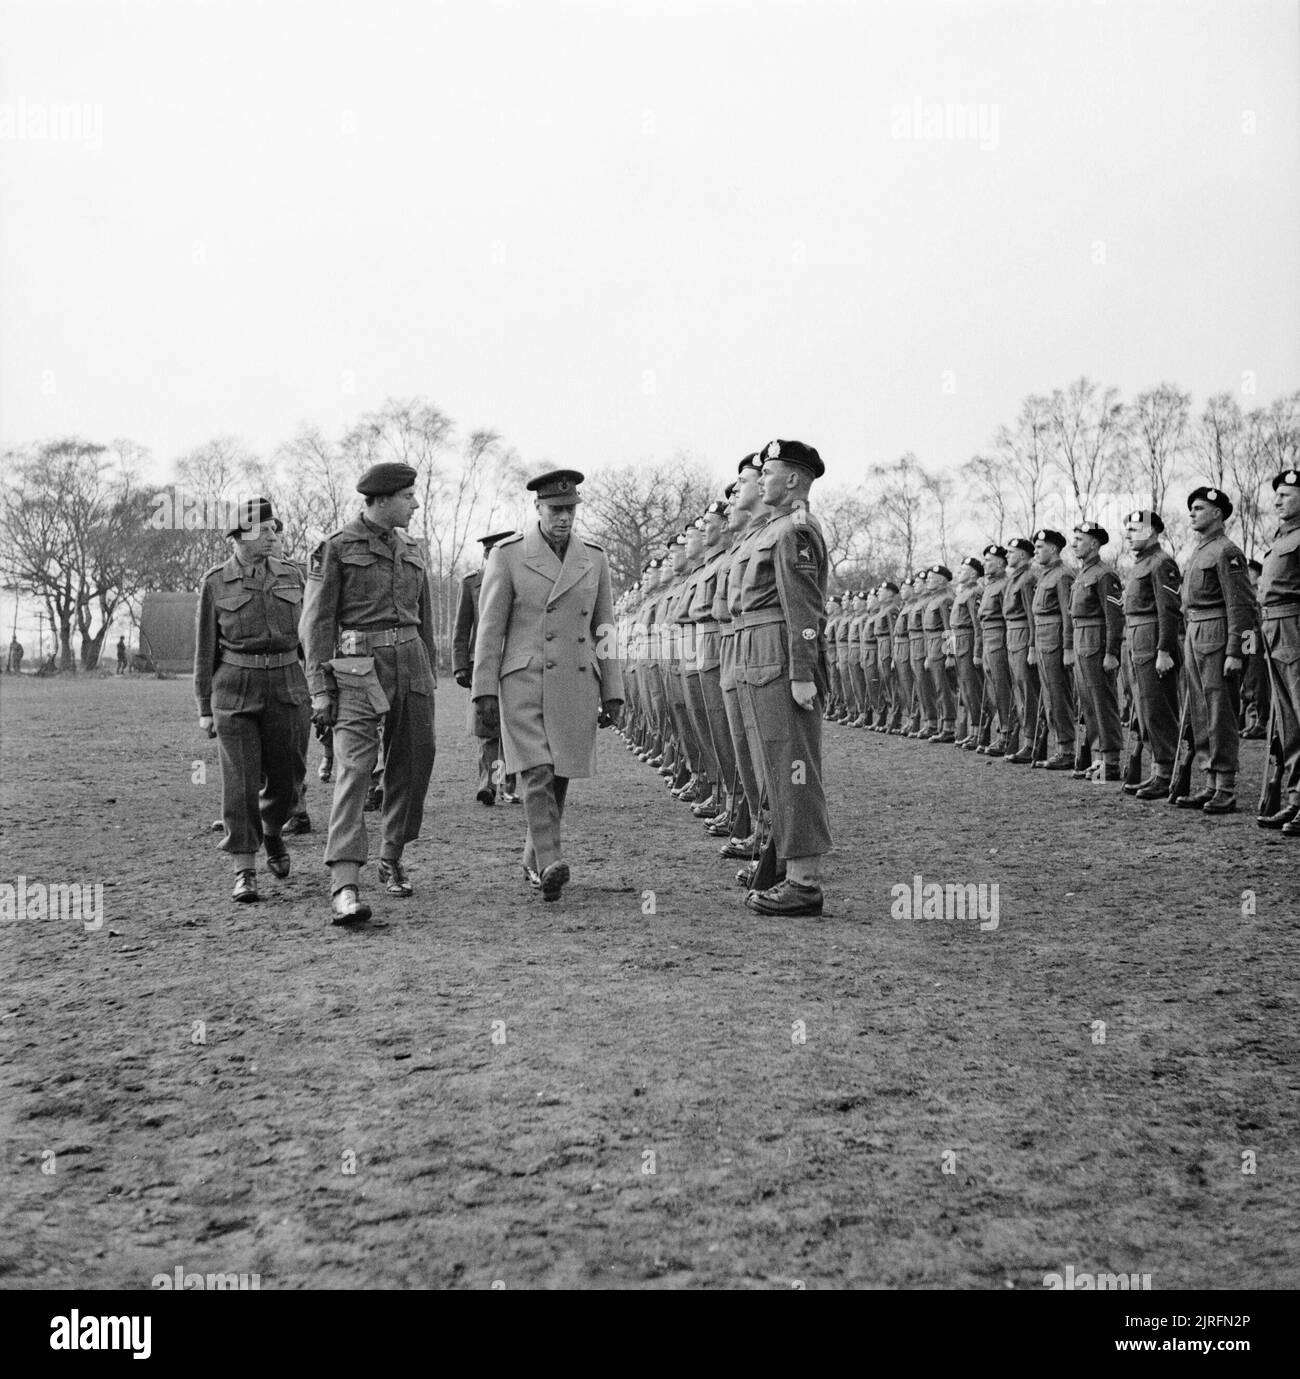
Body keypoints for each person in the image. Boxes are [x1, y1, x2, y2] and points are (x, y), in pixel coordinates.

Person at [471, 468, 623, 901]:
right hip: (524, 679)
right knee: (535, 770)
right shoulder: (509, 555)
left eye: (571, 510)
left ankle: (532, 860)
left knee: (558, 773)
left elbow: (605, 626)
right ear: (537, 508)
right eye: (556, 510)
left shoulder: (593, 558)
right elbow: (490, 628)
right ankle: (552, 859)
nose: (564, 518)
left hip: (576, 679)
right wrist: (483, 688)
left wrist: (613, 690)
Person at [302, 462, 438, 923]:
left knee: (415, 760)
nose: (415, 504)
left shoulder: (413, 548)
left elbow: (424, 618)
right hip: (357, 670)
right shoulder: (336, 549)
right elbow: (317, 623)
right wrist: (320, 688)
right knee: (356, 769)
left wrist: (428, 672)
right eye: (408, 497)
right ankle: (344, 884)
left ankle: (392, 855)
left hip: (411, 664)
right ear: (381, 500)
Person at [194, 497, 311, 903]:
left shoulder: (295, 576)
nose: (272, 536)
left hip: (288, 684)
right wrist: (205, 708)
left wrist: (320, 685)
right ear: (238, 538)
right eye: (264, 531)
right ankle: (244, 869)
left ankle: (274, 830)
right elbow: (204, 649)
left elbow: (310, 637)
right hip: (235, 689)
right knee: (239, 781)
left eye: (275, 529)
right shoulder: (215, 583)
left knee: (287, 776)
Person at [735, 439, 832, 918]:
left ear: (793, 479)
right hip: (758, 652)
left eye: (768, 470)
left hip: (779, 654)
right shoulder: (770, 528)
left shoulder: (795, 529)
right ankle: (778, 864)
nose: (762, 478)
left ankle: (805, 881)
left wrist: (802, 672)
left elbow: (804, 606)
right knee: (774, 766)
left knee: (794, 767)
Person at [1175, 486, 1252, 814]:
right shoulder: (1198, 552)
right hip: (1195, 633)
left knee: (1220, 710)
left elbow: (1245, 606)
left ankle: (1225, 787)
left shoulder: (1227, 551)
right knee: (1201, 711)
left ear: (1218, 513)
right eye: (1191, 508)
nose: (1192, 513)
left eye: (1199, 508)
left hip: (1219, 635)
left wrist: (1240, 652)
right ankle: (1209, 782)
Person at [1119, 510, 1182, 800]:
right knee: (1143, 708)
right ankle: (1158, 771)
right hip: (1136, 638)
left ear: (1154, 531)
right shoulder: (1140, 564)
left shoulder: (1161, 563)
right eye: (1128, 529)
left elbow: (1168, 609)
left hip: (1153, 639)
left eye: (1135, 529)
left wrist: (1165, 650)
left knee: (1158, 708)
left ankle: (1167, 772)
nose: (1129, 534)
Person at [453, 530, 520, 806]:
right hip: (481, 664)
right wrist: (460, 666)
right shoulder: (472, 583)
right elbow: (461, 627)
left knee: (511, 728)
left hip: (514, 663)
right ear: (485, 555)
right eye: (491, 553)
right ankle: (490, 785)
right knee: (487, 728)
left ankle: (504, 784)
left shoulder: (519, 579)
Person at [1256, 469, 1300, 833]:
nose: (1277, 501)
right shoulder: (1282, 537)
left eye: (1286, 494)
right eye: (1278, 495)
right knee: (1289, 722)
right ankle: (1296, 799)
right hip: (1274, 628)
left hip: (1295, 628)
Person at [1067, 521, 1124, 780]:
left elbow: (1114, 617)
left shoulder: (1104, 574)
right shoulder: (1082, 574)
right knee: (1088, 703)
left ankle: (1110, 760)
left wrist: (1112, 652)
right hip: (1081, 639)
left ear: (1094, 544)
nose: (1074, 543)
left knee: (1103, 702)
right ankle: (1097, 756)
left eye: (1079, 539)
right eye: (1074, 539)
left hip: (1096, 641)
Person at [1029, 529, 1075, 770]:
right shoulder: (1045, 575)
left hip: (1056, 640)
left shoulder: (1062, 575)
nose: (1036, 551)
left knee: (1059, 696)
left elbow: (1068, 616)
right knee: (1048, 697)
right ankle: (1060, 747)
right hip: (1043, 638)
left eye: (1040, 547)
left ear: (1054, 549)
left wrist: (1068, 648)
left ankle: (1067, 749)